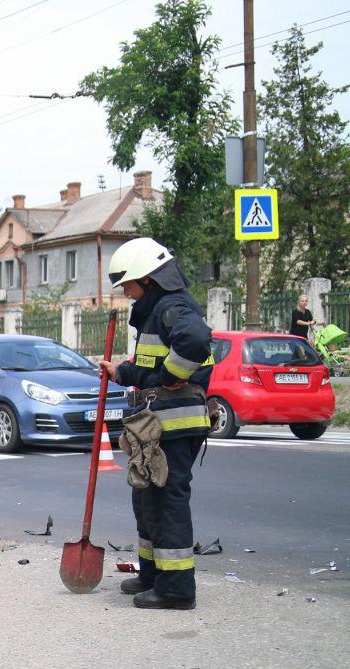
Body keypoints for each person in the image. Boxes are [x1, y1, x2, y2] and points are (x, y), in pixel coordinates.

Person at [99, 238, 214, 611]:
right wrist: (121, 371)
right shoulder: (156, 311)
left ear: (148, 279)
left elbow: (196, 342)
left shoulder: (173, 305)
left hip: (174, 425)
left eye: (129, 285)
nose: (127, 294)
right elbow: (148, 368)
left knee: (166, 500)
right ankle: (153, 575)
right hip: (156, 425)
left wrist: (170, 375)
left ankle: (177, 588)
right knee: (147, 498)